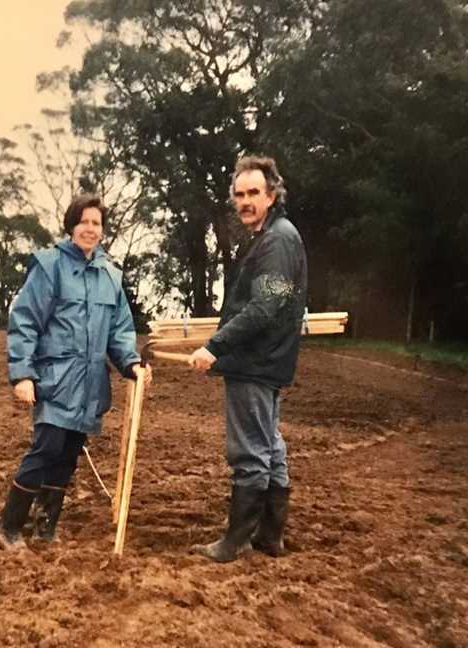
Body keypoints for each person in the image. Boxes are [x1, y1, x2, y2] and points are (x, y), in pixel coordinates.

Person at [0, 193, 152, 551]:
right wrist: (23, 374)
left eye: (96, 223)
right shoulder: (49, 265)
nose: (90, 229)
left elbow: (119, 330)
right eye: (84, 222)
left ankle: (46, 528)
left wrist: (129, 362)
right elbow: (25, 321)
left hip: (89, 385)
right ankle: (9, 528)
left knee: (67, 456)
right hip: (54, 379)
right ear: (71, 225)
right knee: (45, 449)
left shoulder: (110, 275)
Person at [188, 155, 307, 562]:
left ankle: (233, 542)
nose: (245, 201)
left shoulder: (276, 240)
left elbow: (264, 307)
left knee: (249, 452)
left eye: (254, 193)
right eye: (239, 194)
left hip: (255, 363)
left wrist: (214, 346)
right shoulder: (273, 237)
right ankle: (269, 537)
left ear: (272, 195)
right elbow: (279, 301)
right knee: (270, 448)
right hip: (268, 362)